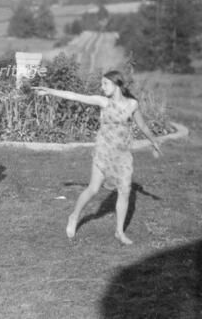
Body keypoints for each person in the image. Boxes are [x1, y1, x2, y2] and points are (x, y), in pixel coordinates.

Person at [33, 70, 162, 245]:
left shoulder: (132, 104)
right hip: (103, 152)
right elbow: (75, 96)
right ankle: (74, 216)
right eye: (102, 84)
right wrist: (50, 91)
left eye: (105, 84)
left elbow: (142, 125)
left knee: (125, 192)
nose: (102, 88)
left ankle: (119, 232)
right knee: (93, 189)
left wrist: (153, 141)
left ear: (116, 84)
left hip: (123, 155)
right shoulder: (103, 101)